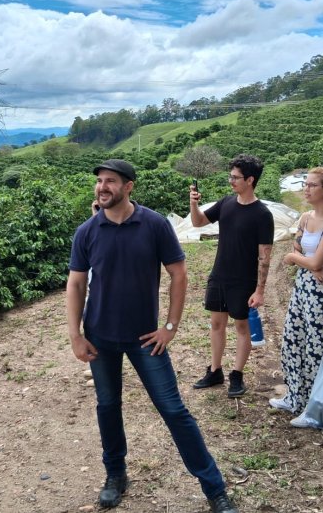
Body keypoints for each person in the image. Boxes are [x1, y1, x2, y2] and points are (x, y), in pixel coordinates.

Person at [66, 159, 238, 513]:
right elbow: (77, 283)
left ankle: (214, 489)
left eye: (110, 181)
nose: (102, 187)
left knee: (173, 410)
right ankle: (116, 475)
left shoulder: (155, 224)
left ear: (128, 186)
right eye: (99, 181)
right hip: (100, 337)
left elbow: (179, 274)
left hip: (145, 338)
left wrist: (170, 327)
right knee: (107, 407)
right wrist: (75, 335)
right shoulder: (87, 231)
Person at [189, 154, 274, 398]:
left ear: (250, 180)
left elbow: (264, 256)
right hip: (219, 275)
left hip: (243, 280)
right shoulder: (226, 203)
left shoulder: (262, 214)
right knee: (216, 324)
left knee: (241, 326)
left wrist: (259, 290)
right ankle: (215, 371)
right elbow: (198, 222)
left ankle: (237, 374)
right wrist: (194, 204)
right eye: (231, 176)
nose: (231, 181)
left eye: (236, 177)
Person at [270, 166, 323, 426]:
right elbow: (301, 253)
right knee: (293, 340)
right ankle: (295, 397)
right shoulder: (305, 218)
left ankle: (316, 410)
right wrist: (309, 263)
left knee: (317, 349)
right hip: (303, 286)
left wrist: (301, 260)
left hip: (322, 292)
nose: (306, 189)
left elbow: (302, 258)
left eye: (312, 185)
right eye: (306, 184)